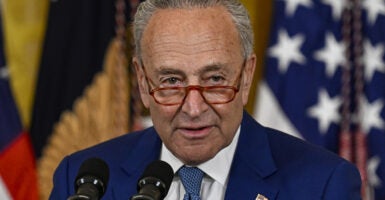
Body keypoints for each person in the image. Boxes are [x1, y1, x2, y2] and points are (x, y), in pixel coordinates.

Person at [50, 0, 362, 199]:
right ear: (143, 83)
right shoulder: (80, 182)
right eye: (171, 81)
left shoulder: (323, 185)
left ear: (246, 75)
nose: (194, 109)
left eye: (214, 80)